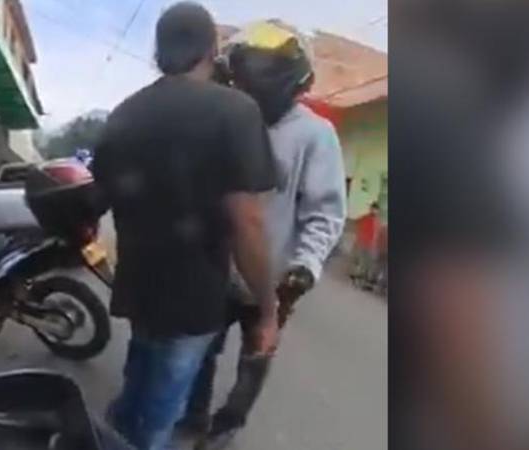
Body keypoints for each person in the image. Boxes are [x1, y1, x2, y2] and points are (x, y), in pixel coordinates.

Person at [91, 3, 281, 449]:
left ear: (160, 50)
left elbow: (101, 196)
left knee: (137, 390)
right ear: (211, 47)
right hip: (193, 300)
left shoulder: (123, 114)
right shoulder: (234, 110)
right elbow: (247, 221)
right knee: (158, 421)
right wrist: (268, 310)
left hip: (138, 289)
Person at [174, 24, 348, 450]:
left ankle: (227, 426)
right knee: (200, 352)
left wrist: (304, 268)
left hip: (273, 281)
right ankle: (193, 416)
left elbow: (325, 213)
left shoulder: (314, 134)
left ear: (294, 84)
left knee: (255, 360)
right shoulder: (225, 120)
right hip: (215, 269)